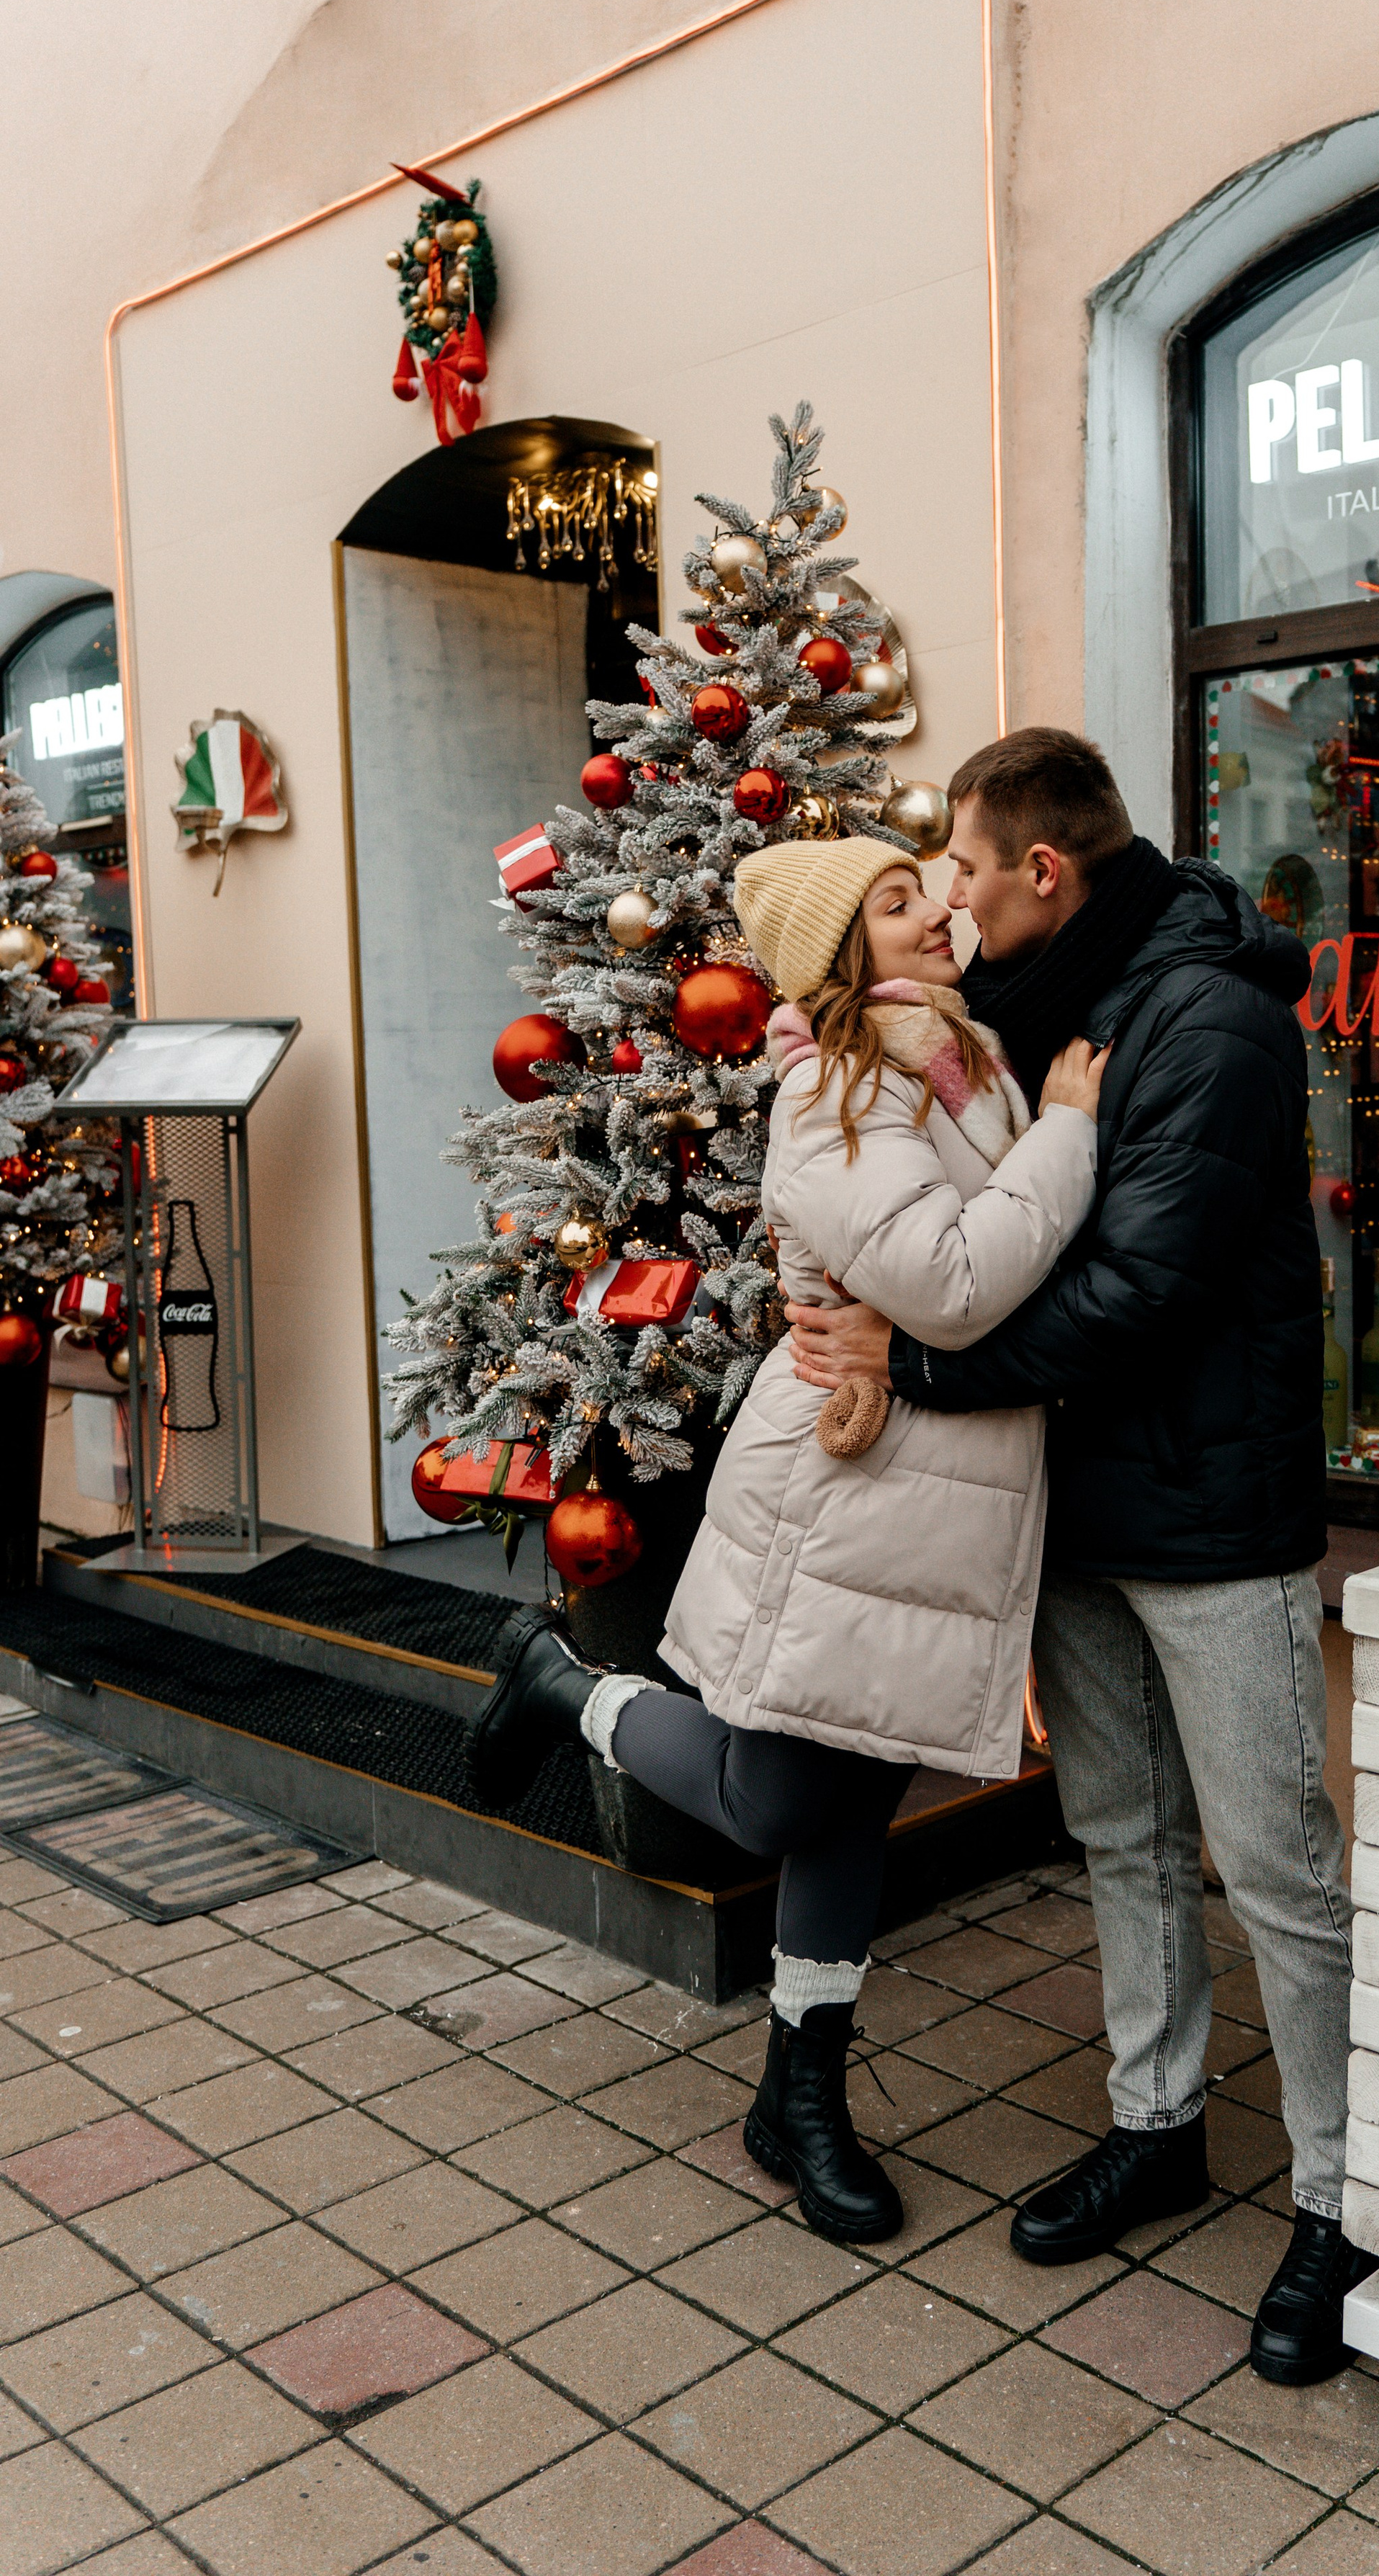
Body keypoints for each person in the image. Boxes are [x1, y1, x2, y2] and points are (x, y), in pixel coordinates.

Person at [784, 726, 1370, 2386]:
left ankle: (1343, 2199)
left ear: (1044, 869)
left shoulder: (1209, 1020)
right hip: (1073, 1507)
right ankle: (1155, 2122)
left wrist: (915, 1365)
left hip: (1208, 1519)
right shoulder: (1025, 1016)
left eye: (965, 871)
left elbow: (1129, 1291)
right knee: (1120, 1832)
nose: (951, 902)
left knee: (1275, 1868)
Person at [467, 832, 1107, 2248]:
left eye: (927, 888)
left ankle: (796, 2098)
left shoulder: (965, 1063)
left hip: (933, 1502)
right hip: (844, 1494)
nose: (937, 912)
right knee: (778, 1804)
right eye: (897, 903)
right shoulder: (836, 1091)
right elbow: (952, 1282)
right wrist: (1068, 1137)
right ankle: (563, 1684)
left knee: (848, 1804)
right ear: (836, 954)